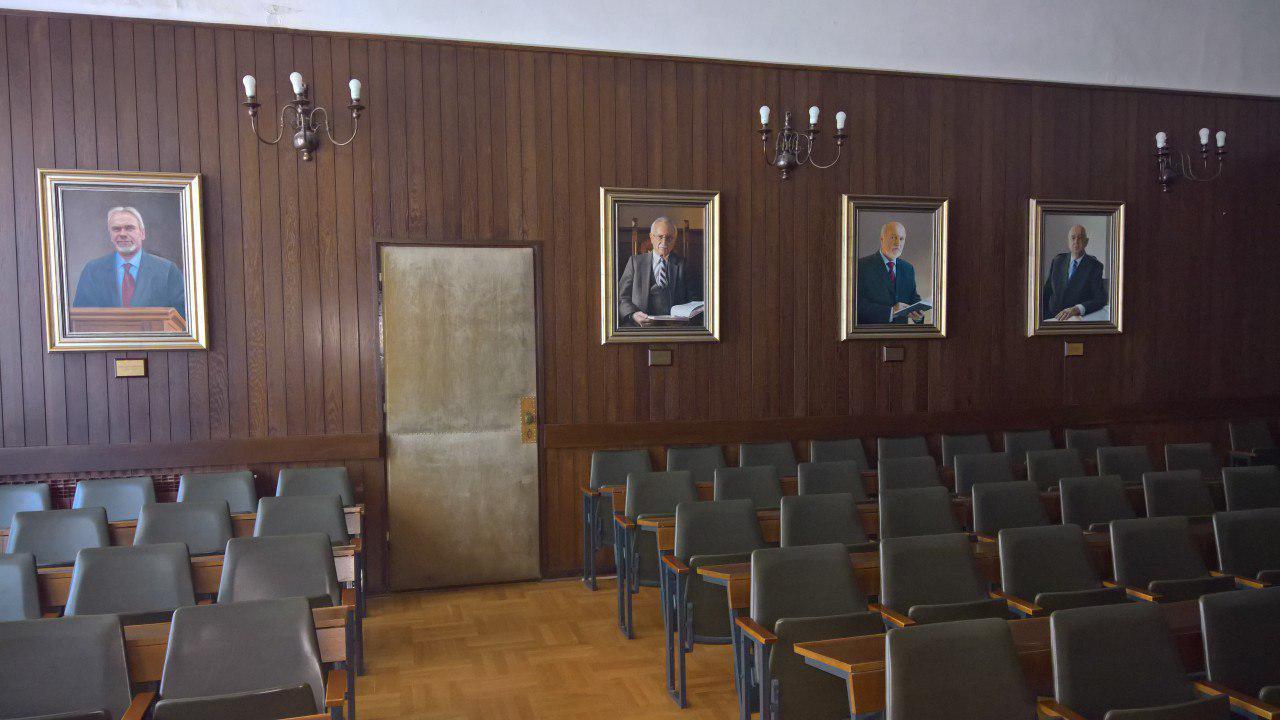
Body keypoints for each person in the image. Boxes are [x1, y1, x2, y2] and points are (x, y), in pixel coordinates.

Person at [72, 206, 186, 319]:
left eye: (129, 228)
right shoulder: (93, 271)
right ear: (110, 235)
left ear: (142, 233)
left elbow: (184, 319)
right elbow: (80, 320)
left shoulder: (167, 271)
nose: (122, 234)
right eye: (116, 229)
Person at [617, 216, 700, 326]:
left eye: (669, 238)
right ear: (651, 237)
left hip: (675, 328)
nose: (664, 242)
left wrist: (684, 317)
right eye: (660, 237)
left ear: (675, 239)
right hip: (640, 327)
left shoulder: (683, 265)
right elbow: (622, 297)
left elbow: (694, 300)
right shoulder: (635, 263)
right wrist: (633, 315)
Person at [856, 221, 924, 325]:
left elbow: (913, 298)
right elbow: (856, 305)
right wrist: (891, 312)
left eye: (901, 239)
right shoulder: (861, 266)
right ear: (882, 239)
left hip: (901, 333)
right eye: (893, 237)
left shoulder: (908, 268)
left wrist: (919, 316)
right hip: (872, 333)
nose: (898, 243)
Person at [1042, 224, 1106, 321]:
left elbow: (1100, 299)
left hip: (1074, 319)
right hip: (1050, 317)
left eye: (1080, 238)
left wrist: (1077, 309)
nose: (1076, 241)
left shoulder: (1095, 266)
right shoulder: (1058, 261)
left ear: (1086, 242)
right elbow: (1047, 292)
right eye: (1073, 238)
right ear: (1068, 241)